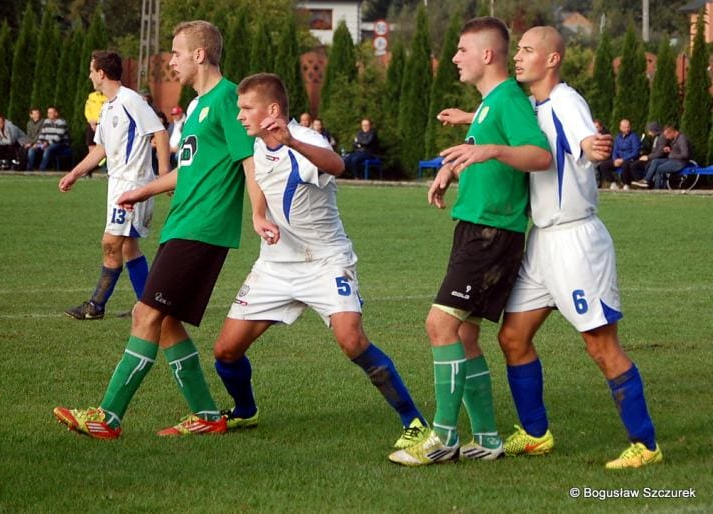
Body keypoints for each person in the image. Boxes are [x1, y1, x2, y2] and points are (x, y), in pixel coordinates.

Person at [53, 20, 272, 438]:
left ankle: (107, 417)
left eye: (176, 52)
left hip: (203, 228)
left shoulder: (227, 98)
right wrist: (142, 190)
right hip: (182, 221)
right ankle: (207, 417)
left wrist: (258, 213)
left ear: (200, 55)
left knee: (145, 312)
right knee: (166, 320)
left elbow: (249, 162)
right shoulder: (196, 107)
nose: (171, 61)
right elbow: (188, 172)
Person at [213, 72, 430, 448]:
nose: (239, 116)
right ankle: (245, 411)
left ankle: (415, 422)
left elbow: (337, 165)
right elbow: (260, 180)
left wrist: (292, 141)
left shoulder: (305, 140)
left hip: (326, 262)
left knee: (351, 340)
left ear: (273, 110)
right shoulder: (258, 144)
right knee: (226, 351)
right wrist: (258, 215)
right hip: (275, 265)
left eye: (246, 108)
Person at [388, 17, 552, 467]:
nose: (455, 57)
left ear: (486, 55)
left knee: (439, 325)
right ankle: (487, 437)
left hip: (493, 231)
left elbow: (538, 154)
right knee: (464, 333)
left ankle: (442, 436)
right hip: (475, 226)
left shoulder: (508, 99)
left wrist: (490, 151)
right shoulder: (488, 104)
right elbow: (483, 147)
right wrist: (452, 169)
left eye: (461, 50)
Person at [496, 25, 661, 469]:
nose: (518, 56)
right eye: (519, 49)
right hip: (541, 242)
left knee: (600, 345)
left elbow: (586, 141)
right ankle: (535, 434)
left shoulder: (567, 100)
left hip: (575, 242)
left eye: (528, 50)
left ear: (552, 60)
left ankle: (645, 443)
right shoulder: (531, 106)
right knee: (512, 338)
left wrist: (594, 146)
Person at [58, 50, 170, 321]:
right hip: (116, 184)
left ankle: (96, 305)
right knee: (128, 246)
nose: (89, 75)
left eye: (91, 69)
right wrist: (74, 173)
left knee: (110, 243)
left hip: (133, 185)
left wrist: (165, 174)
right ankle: (148, 306)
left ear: (101, 73)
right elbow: (101, 149)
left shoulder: (130, 100)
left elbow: (160, 132)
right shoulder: (107, 107)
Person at [632, 124, 691, 189]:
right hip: (672, 159)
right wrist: (670, 150)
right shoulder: (674, 139)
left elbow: (685, 154)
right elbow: (676, 151)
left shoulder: (681, 139)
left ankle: (657, 189)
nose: (666, 138)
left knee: (660, 169)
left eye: (667, 135)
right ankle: (646, 180)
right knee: (655, 161)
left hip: (680, 162)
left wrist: (672, 155)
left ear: (671, 132)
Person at [621, 121, 666, 190]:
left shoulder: (661, 138)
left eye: (649, 131)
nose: (648, 133)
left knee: (634, 165)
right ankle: (641, 182)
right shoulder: (656, 138)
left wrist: (648, 157)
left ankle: (644, 182)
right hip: (651, 158)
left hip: (654, 159)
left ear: (654, 130)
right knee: (632, 165)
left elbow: (659, 153)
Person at [597, 119, 640, 189]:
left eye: (628, 127)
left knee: (626, 164)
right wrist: (615, 159)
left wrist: (623, 159)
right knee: (603, 165)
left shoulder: (634, 137)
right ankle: (613, 183)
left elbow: (635, 152)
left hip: (629, 159)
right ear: (620, 128)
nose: (627, 129)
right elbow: (615, 150)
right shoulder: (618, 137)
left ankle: (626, 184)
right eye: (625, 127)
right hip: (618, 159)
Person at [26, 106, 70, 171]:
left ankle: (42, 169)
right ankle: (29, 169)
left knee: (48, 149)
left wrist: (47, 143)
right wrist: (37, 143)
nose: (49, 114)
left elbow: (58, 138)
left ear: (56, 113)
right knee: (32, 149)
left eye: (51, 113)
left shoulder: (61, 122)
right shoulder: (46, 122)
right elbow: (42, 135)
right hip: (45, 143)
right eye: (48, 113)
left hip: (59, 144)